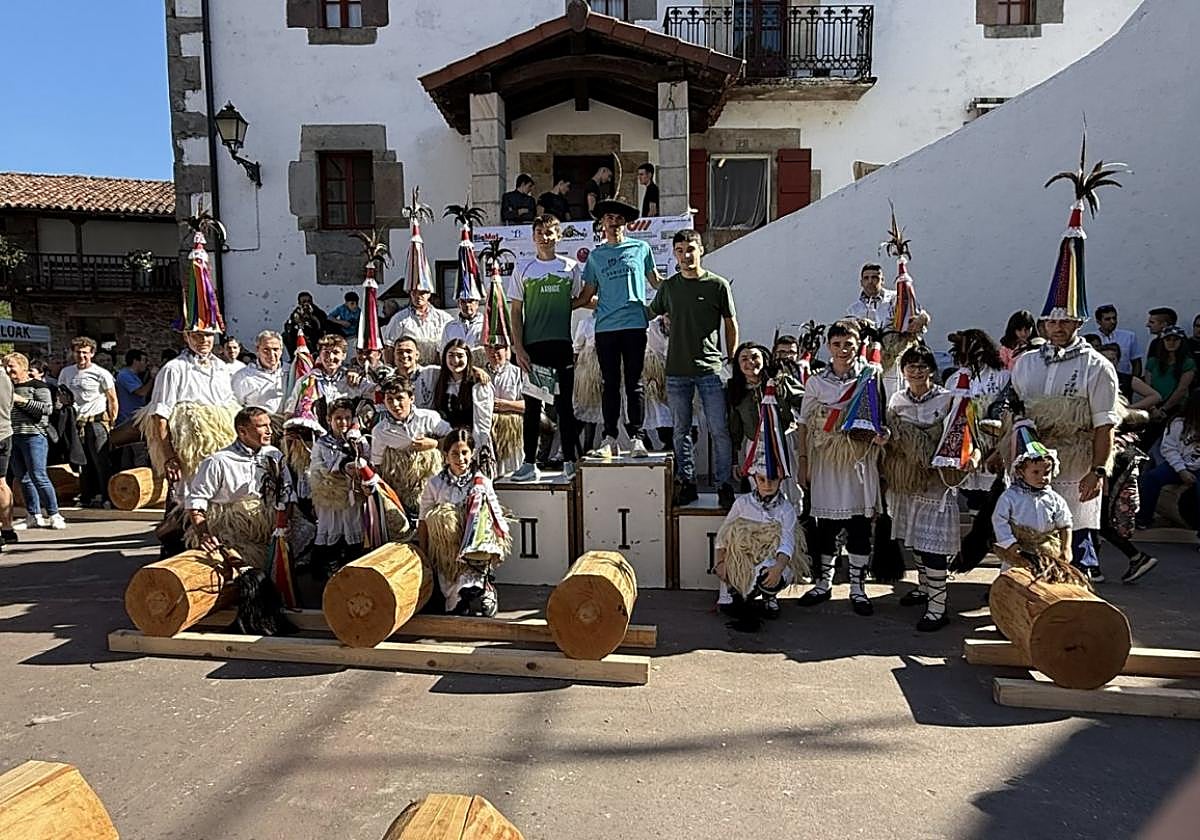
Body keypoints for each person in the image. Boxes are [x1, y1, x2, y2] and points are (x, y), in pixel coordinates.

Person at [1010, 313, 1121, 584]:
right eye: (1052, 321)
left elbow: (1105, 425)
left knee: (1073, 532)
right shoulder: (1026, 362)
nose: (1058, 327)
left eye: (1066, 321)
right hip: (1030, 462)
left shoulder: (1097, 366)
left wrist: (1098, 470)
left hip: (1075, 461)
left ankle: (1074, 595)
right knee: (1027, 531)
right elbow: (1013, 411)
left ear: (1079, 323)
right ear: (1043, 324)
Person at [795, 320, 886, 615]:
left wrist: (882, 437)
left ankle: (858, 588)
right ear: (828, 347)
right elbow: (804, 423)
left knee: (859, 525)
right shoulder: (816, 382)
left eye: (849, 344)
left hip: (858, 460)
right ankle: (824, 584)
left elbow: (880, 417)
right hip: (827, 461)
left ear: (858, 345)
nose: (843, 350)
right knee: (826, 526)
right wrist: (804, 462)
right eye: (837, 344)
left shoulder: (870, 375)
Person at [649, 228, 738, 507]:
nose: (685, 255)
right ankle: (686, 483)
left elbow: (731, 323)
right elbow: (648, 313)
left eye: (690, 249)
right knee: (681, 430)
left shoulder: (718, 285)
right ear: (674, 254)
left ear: (701, 250)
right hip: (676, 371)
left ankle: (724, 485)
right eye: (680, 251)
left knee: (719, 430)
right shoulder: (668, 287)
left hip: (710, 370)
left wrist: (731, 358)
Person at [579, 197, 661, 458]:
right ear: (602, 223)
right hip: (606, 328)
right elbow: (586, 295)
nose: (614, 223)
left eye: (619, 219)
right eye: (609, 218)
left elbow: (657, 282)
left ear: (626, 223)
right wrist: (557, 306)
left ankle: (637, 437)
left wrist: (682, 285)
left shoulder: (641, 248)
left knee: (635, 383)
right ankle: (610, 437)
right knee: (610, 384)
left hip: (635, 324)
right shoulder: (595, 256)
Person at [883, 345, 958, 631]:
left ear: (932, 370)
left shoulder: (947, 399)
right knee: (914, 538)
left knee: (933, 546)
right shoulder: (897, 400)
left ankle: (938, 609)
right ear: (903, 371)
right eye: (911, 366)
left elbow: (957, 438)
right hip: (907, 481)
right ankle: (925, 588)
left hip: (936, 482)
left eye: (922, 366)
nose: (916, 371)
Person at [509, 213, 585, 481]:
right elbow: (515, 311)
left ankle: (569, 462)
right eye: (539, 232)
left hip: (561, 345)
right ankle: (529, 463)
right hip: (534, 348)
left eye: (550, 232)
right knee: (532, 407)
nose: (544, 237)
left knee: (564, 407)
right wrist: (519, 348)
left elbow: (577, 300)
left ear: (558, 236)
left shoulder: (571, 267)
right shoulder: (523, 268)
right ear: (533, 237)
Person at [184, 406, 294, 573]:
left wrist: (285, 521)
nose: (269, 431)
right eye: (262, 426)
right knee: (247, 573)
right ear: (242, 431)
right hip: (235, 533)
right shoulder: (218, 462)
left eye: (269, 425)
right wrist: (204, 534)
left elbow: (287, 490)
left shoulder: (274, 454)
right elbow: (196, 500)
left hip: (272, 526)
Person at [418, 428, 510, 616]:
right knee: (441, 517)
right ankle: (457, 597)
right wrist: (424, 554)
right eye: (454, 453)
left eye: (464, 452)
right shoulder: (435, 484)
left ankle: (483, 588)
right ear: (446, 456)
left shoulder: (482, 482)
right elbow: (423, 520)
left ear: (472, 453)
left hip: (473, 548)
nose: (460, 458)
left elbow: (496, 514)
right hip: (447, 551)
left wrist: (498, 541)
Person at [713, 452, 804, 624]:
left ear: (781, 480)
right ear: (755, 478)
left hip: (769, 559)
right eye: (762, 480)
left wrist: (778, 567)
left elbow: (787, 542)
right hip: (743, 559)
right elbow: (723, 535)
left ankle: (769, 595)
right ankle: (739, 590)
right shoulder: (742, 504)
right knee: (730, 605)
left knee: (774, 575)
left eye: (773, 480)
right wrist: (720, 563)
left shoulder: (786, 509)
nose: (767, 485)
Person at [991, 426, 1074, 575]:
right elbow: (999, 520)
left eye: (1046, 472)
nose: (1042, 477)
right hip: (1019, 550)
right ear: (1021, 471)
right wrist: (1009, 542)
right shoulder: (1010, 497)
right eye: (1036, 472)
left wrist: (1066, 548)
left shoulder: (1055, 499)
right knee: (1015, 579)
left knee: (1046, 580)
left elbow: (1065, 524)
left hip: (1048, 551)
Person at [728, 343, 802, 497]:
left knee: (790, 489)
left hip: (783, 442)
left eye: (755, 357)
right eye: (744, 359)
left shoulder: (780, 381)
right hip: (755, 446)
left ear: (764, 359)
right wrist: (735, 461)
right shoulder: (736, 391)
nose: (750, 362)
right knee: (761, 490)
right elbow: (735, 429)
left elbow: (805, 401)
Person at [370, 378, 451, 514]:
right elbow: (377, 464)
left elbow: (454, 439)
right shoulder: (380, 431)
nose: (395, 404)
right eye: (389, 400)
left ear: (411, 398)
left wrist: (435, 443)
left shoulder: (429, 418)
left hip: (431, 480)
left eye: (400, 398)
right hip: (401, 485)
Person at [5, 353, 63, 531]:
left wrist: (21, 400)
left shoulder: (38, 386)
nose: (8, 370)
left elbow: (47, 409)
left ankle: (54, 514)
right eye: (5, 366)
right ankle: (34, 515)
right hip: (12, 436)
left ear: (23, 367)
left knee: (39, 476)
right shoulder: (6, 387)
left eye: (11, 366)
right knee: (22, 478)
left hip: (34, 436)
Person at [307, 397, 365, 579]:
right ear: (329, 420)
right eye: (338, 418)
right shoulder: (321, 444)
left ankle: (353, 569)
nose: (343, 422)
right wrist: (337, 468)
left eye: (347, 418)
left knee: (353, 527)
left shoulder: (359, 440)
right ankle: (328, 569)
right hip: (331, 495)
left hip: (353, 495)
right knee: (331, 528)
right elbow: (316, 467)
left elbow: (367, 462)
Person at [59, 336, 118, 508]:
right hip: (77, 422)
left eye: (85, 352)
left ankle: (107, 496)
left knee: (101, 460)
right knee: (82, 461)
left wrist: (112, 422)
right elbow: (62, 395)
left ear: (92, 353)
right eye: (78, 352)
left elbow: (112, 399)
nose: (81, 356)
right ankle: (87, 496)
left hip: (96, 421)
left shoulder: (101, 373)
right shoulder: (66, 372)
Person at [1137, 390, 1200, 542]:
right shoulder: (1178, 423)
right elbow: (1169, 448)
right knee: (1151, 478)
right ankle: (1143, 518)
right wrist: (1181, 470)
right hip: (1178, 464)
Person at [431, 339, 496, 476]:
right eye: (451, 355)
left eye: (460, 356)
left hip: (469, 442)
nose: (455, 360)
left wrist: (477, 450)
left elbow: (482, 422)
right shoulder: (439, 379)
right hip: (445, 442)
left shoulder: (478, 384)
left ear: (468, 357)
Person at [482, 340, 527, 477]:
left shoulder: (520, 373)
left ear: (507, 350)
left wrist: (507, 405)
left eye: (498, 348)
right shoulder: (479, 374)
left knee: (510, 470)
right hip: (487, 431)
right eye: (489, 348)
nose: (493, 352)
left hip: (512, 431)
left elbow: (531, 406)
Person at [381, 288, 452, 366]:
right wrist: (389, 368)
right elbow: (389, 346)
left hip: (438, 368)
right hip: (410, 369)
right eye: (414, 293)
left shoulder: (444, 318)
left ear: (429, 294)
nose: (418, 296)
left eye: (422, 293)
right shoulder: (399, 318)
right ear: (410, 294)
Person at [232, 330, 287, 415]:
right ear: (257, 350)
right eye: (266, 349)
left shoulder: (290, 371)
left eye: (275, 349)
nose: (271, 354)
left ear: (281, 350)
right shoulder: (242, 377)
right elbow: (235, 406)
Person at [1145, 325, 1195, 409]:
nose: (1171, 343)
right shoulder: (1152, 362)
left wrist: (1164, 408)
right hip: (1153, 405)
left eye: (1175, 340)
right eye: (1168, 339)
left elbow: (1182, 389)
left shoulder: (1188, 363)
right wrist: (1152, 408)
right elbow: (1147, 388)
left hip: (1177, 407)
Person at [1094, 304, 1142, 377]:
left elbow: (1136, 362)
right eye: (1107, 319)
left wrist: (1133, 380)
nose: (1112, 321)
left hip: (1124, 379)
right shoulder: (1092, 339)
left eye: (1114, 318)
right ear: (1098, 321)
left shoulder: (1129, 336)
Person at [845, 263, 896, 328]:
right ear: (861, 282)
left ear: (882, 280)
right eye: (866, 278)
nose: (870, 281)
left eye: (874, 277)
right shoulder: (853, 310)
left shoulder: (895, 298)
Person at [283, 291, 328, 360]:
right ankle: (294, 358)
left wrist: (313, 318)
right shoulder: (296, 312)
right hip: (300, 334)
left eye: (309, 301)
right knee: (285, 336)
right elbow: (288, 325)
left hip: (315, 336)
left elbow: (323, 326)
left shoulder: (319, 312)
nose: (306, 304)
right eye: (304, 302)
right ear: (299, 303)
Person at [115, 350, 154, 426]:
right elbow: (141, 392)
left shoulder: (134, 376)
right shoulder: (125, 375)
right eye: (145, 360)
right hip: (127, 418)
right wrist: (152, 378)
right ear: (135, 361)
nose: (147, 364)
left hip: (134, 416)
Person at [0, 361, 13, 547]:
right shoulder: (4, 377)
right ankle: (8, 528)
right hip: (4, 431)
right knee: (2, 482)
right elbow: (10, 404)